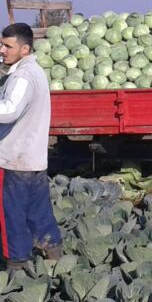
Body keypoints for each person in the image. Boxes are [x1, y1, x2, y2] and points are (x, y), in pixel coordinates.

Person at [0, 23, 62, 271]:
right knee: (38, 209)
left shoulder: (23, 76)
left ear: (24, 49)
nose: (2, 50)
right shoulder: (31, 70)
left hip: (15, 158)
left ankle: (16, 264)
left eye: (7, 46)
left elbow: (9, 110)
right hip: (33, 158)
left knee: (11, 215)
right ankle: (54, 253)